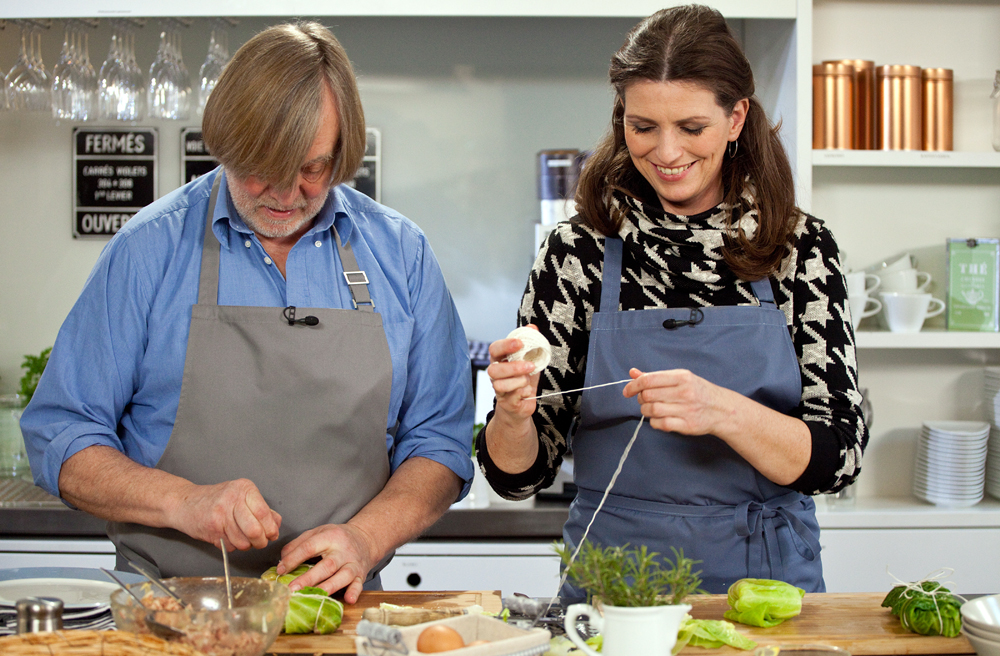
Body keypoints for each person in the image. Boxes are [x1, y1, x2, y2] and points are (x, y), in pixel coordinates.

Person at [21, 22, 474, 604]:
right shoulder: (148, 250)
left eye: (312, 168)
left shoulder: (401, 255)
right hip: (165, 611)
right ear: (226, 144)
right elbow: (60, 434)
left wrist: (364, 538)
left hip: (338, 611)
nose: (287, 195)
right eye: (263, 168)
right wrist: (186, 502)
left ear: (342, 152)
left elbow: (438, 442)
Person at [477, 5, 867, 595]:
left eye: (691, 127)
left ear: (735, 118)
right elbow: (518, 478)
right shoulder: (577, 252)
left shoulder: (798, 249)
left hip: (763, 578)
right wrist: (512, 412)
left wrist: (723, 412)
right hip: (610, 579)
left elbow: (838, 455)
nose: (666, 152)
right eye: (643, 126)